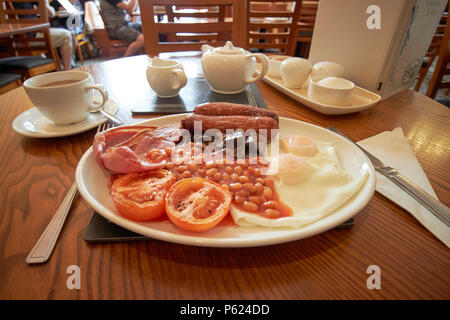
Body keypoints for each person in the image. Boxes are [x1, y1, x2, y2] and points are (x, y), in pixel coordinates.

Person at [13, 1, 74, 70]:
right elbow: (52, 14)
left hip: (12, 41)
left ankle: (53, 68)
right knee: (66, 35)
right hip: (30, 39)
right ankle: (67, 70)